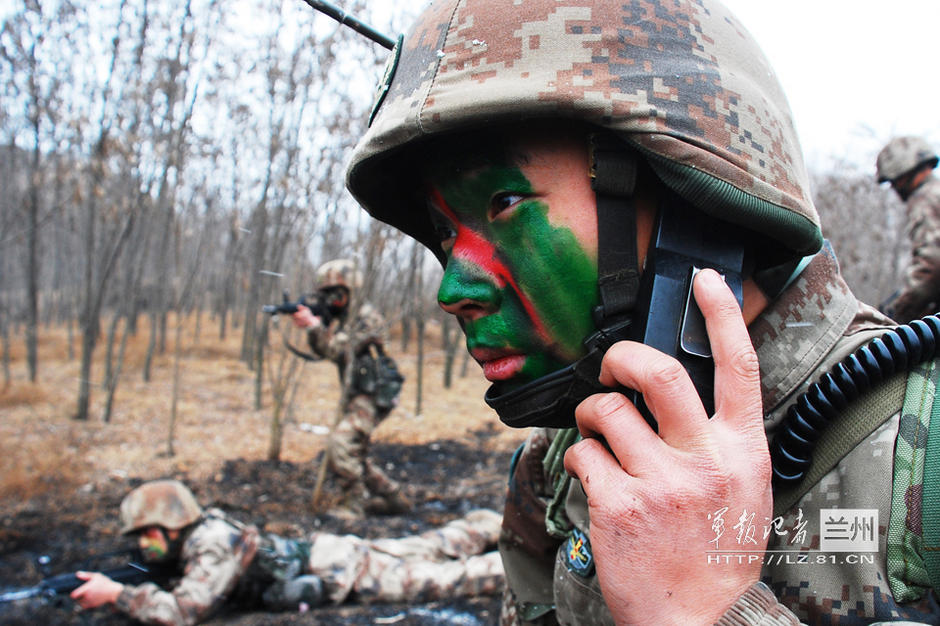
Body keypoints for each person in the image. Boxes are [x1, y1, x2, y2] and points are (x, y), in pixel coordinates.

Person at [341, 0, 940, 624]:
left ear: (695, 204)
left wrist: (710, 611)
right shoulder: (566, 457)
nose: (453, 289)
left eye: (504, 202)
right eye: (444, 233)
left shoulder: (919, 460)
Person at [69, 479, 504, 625]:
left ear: (171, 525)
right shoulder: (205, 531)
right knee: (433, 544)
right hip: (332, 552)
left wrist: (117, 596)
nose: (143, 546)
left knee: (450, 577)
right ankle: (491, 522)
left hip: (342, 572)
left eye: (148, 534)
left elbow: (183, 612)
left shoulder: (212, 545)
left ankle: (519, 553)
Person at [289, 258, 407, 516]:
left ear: (350, 291)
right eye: (327, 295)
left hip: (377, 393)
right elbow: (326, 351)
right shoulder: (342, 319)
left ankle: (353, 506)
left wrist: (316, 326)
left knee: (341, 444)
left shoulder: (366, 317)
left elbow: (341, 349)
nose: (332, 300)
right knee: (353, 451)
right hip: (359, 393)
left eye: (336, 294)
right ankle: (392, 497)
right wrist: (313, 329)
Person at [876, 136, 940, 323]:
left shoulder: (925, 198)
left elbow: (931, 265)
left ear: (901, 173)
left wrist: (899, 314)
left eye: (893, 182)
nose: (894, 188)